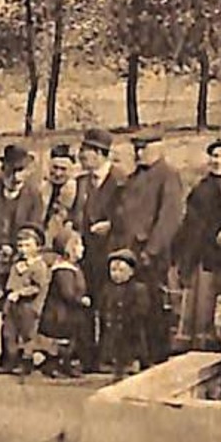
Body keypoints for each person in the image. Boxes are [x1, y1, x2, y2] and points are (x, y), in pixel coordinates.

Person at [0, 144, 45, 372]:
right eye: (12, 171)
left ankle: (10, 357)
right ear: (2, 169)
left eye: (21, 171)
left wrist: (18, 252)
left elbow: (34, 227)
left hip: (18, 262)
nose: (15, 176)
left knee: (13, 310)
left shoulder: (33, 196)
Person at [112, 130, 185, 364]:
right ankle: (137, 356)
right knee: (133, 307)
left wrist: (151, 250)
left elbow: (169, 217)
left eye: (144, 149)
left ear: (159, 149)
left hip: (151, 255)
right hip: (129, 253)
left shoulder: (168, 176)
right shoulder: (134, 177)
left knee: (154, 307)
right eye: (137, 149)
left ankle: (156, 357)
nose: (139, 153)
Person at [174, 139, 221, 350]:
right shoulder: (201, 189)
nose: (218, 161)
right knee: (200, 303)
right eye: (215, 156)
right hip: (203, 256)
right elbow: (190, 224)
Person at [70, 127, 123, 368]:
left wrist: (112, 225)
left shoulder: (121, 181)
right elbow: (74, 215)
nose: (81, 156)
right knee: (85, 303)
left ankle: (109, 356)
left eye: (86, 151)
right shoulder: (80, 183)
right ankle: (87, 356)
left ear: (101, 154)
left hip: (111, 252)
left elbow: (128, 214)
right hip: (85, 253)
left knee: (110, 305)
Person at [38, 228, 94, 377]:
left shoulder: (73, 268)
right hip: (60, 312)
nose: (82, 248)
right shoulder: (64, 270)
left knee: (70, 340)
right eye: (79, 245)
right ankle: (54, 365)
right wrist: (80, 299)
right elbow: (67, 293)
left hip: (70, 311)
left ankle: (65, 364)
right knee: (61, 340)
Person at [1, 224, 50, 374]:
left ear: (37, 246)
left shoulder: (39, 266)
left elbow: (37, 287)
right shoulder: (17, 264)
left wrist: (21, 293)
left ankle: (26, 363)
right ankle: (10, 361)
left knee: (28, 335)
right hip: (14, 306)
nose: (23, 249)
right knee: (9, 333)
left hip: (29, 306)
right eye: (20, 245)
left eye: (28, 245)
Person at [97, 249, 151, 377]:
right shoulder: (107, 288)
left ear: (131, 272)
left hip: (130, 327)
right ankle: (111, 363)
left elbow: (142, 308)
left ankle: (132, 363)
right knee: (111, 344)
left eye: (121, 270)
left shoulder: (138, 289)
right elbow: (103, 305)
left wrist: (131, 316)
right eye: (113, 270)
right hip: (113, 325)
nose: (116, 274)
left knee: (131, 346)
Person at [40, 143, 80, 249]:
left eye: (63, 169)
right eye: (55, 168)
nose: (58, 173)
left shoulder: (78, 190)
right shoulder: (42, 188)